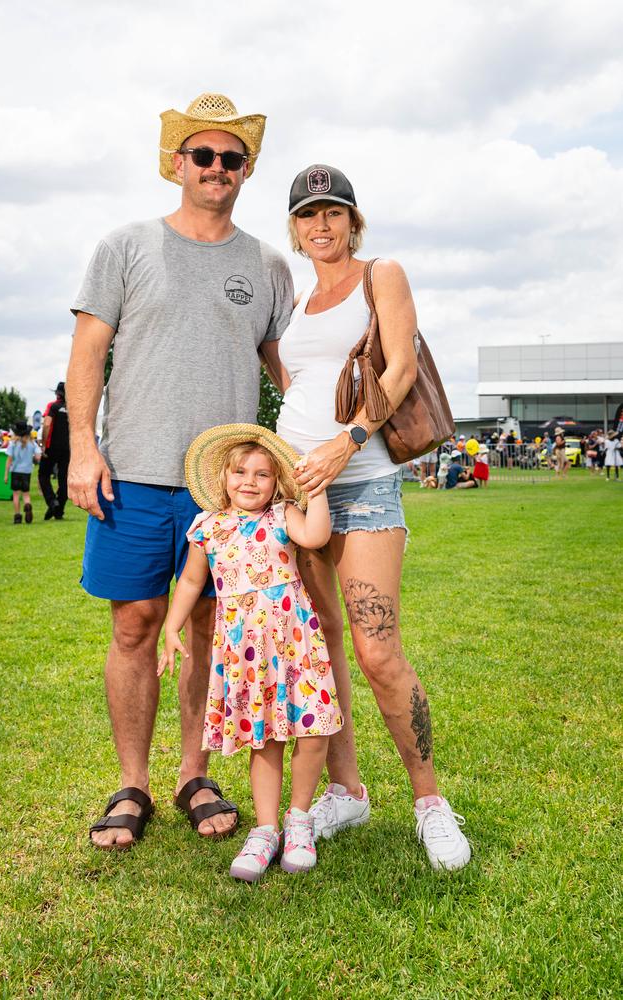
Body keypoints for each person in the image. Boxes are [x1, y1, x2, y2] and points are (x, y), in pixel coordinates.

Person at [67, 92, 294, 849]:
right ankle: (132, 782)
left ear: (247, 170)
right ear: (176, 164)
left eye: (233, 159)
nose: (217, 169)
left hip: (224, 491)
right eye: (203, 156)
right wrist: (83, 447)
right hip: (129, 474)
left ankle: (193, 771)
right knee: (134, 625)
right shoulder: (124, 246)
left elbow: (287, 368)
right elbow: (87, 353)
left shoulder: (265, 264)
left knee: (206, 627)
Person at [272, 163, 471, 871]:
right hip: (295, 491)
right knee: (318, 648)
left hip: (362, 483)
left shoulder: (379, 273)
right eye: (307, 215)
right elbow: (293, 381)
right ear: (294, 229)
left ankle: (430, 803)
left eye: (333, 212)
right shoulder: (295, 302)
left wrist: (346, 440)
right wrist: (288, 453)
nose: (321, 225)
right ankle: (346, 791)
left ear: (353, 221)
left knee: (376, 648)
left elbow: (399, 370)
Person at [157, 425, 342, 881]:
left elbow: (316, 536)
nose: (249, 481)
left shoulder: (283, 516)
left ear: (277, 483)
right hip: (246, 648)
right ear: (223, 478)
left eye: (262, 474)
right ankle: (265, 830)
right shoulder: (208, 527)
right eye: (239, 471)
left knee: (313, 728)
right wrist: (171, 626)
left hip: (294, 639)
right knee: (266, 736)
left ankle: (299, 821)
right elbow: (192, 582)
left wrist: (313, 489)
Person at [38, 381, 70, 520]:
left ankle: (52, 502)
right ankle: (59, 510)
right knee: (64, 480)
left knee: (43, 475)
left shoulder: (53, 406)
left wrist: (43, 444)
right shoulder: (72, 408)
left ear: (57, 393)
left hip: (51, 447)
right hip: (67, 448)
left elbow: (46, 424)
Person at [4, 420, 40, 523]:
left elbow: (9, 460)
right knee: (26, 494)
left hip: (15, 471)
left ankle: (17, 516)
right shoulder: (32, 443)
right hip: (27, 472)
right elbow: (38, 456)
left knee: (16, 495)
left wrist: (6, 474)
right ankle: (27, 505)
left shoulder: (13, 444)